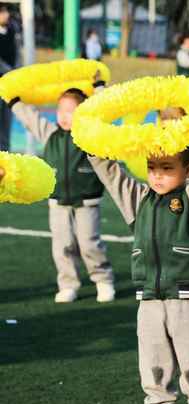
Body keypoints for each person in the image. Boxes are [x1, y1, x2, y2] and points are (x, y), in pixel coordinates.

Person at [88, 139, 189, 404]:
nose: (157, 175)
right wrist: (94, 144)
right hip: (149, 298)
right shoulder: (139, 199)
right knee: (153, 361)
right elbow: (112, 174)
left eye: (166, 168)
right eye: (152, 168)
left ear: (187, 171)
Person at [10, 83, 116, 303]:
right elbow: (31, 118)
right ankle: (68, 284)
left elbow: (104, 113)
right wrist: (14, 102)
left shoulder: (91, 136)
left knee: (89, 243)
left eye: (71, 111)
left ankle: (103, 280)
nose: (64, 116)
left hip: (87, 201)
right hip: (58, 202)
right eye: (60, 111)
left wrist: (98, 90)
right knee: (62, 245)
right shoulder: (50, 134)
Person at [0, 4, 20, 151]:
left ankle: (5, 153)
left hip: (9, 83)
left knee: (6, 121)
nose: (6, 14)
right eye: (3, 12)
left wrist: (16, 73)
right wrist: (8, 70)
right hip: (3, 78)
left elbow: (17, 54)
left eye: (6, 11)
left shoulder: (12, 30)